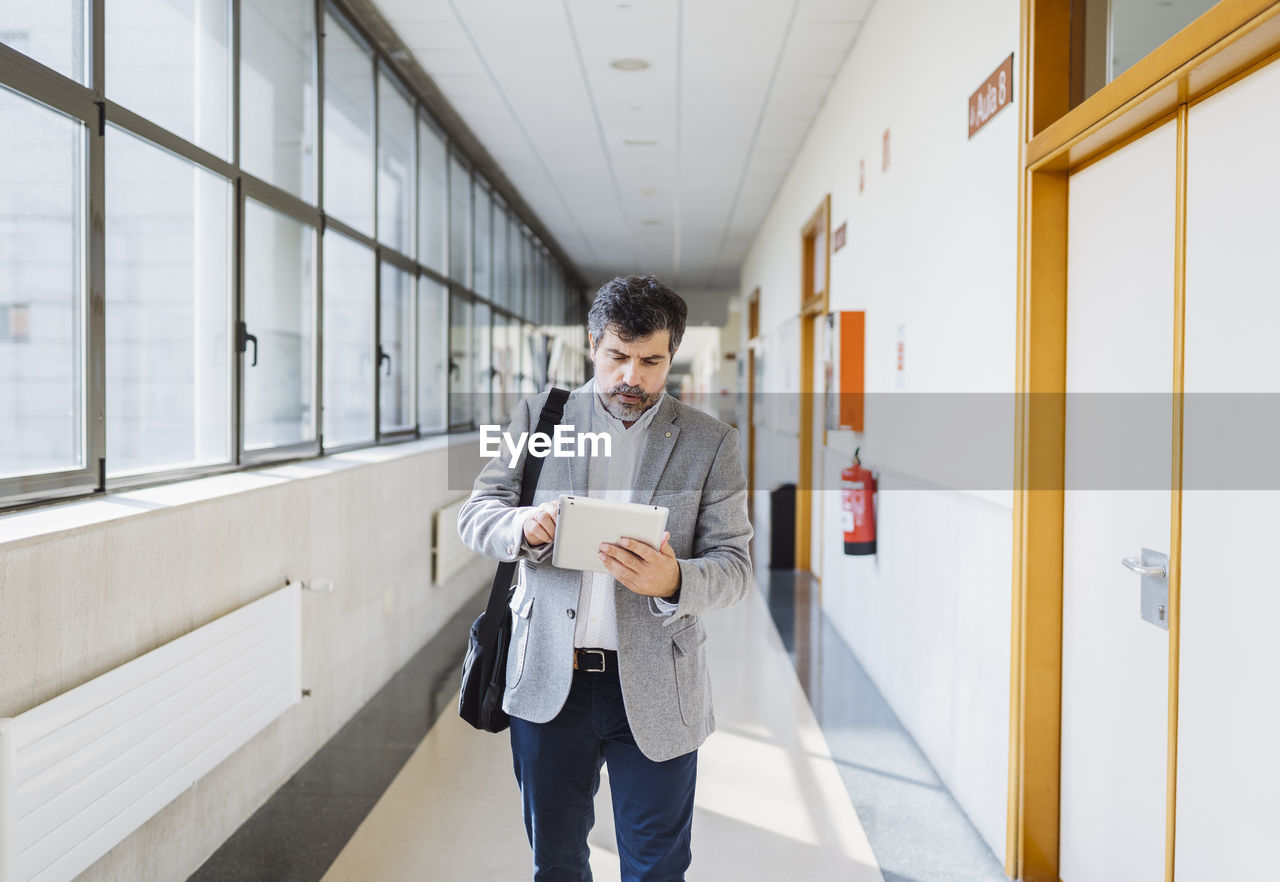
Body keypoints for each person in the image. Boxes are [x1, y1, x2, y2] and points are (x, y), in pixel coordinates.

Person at [458, 274, 753, 881]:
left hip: (655, 688)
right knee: (557, 864)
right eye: (618, 356)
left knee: (656, 869)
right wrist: (524, 525)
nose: (632, 377)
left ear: (672, 355)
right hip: (548, 681)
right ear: (594, 344)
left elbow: (735, 566)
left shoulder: (710, 442)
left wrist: (674, 581)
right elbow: (476, 514)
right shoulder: (541, 417)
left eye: (651, 362)